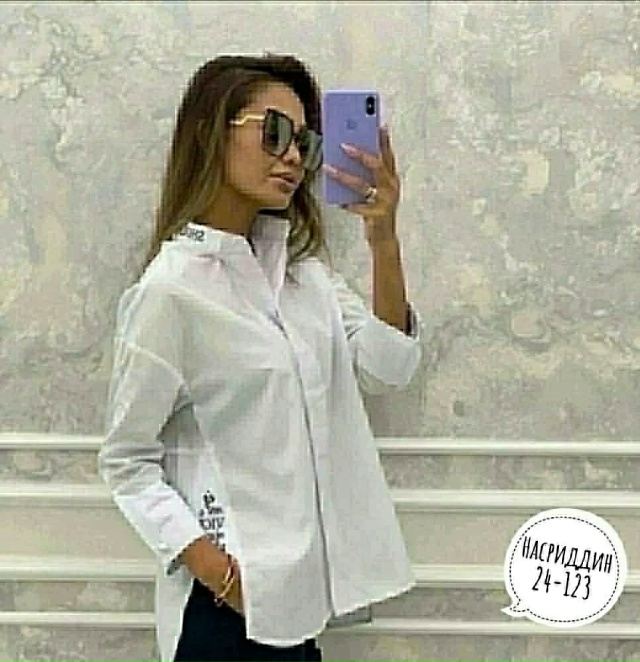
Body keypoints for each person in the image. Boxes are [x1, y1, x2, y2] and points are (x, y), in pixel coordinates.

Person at [98, 53, 422, 662]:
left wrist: (383, 237)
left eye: (304, 141)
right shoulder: (171, 291)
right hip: (224, 614)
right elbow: (126, 460)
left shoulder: (303, 276)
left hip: (299, 611)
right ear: (211, 133)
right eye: (274, 132)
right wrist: (221, 575)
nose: (293, 155)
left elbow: (390, 367)